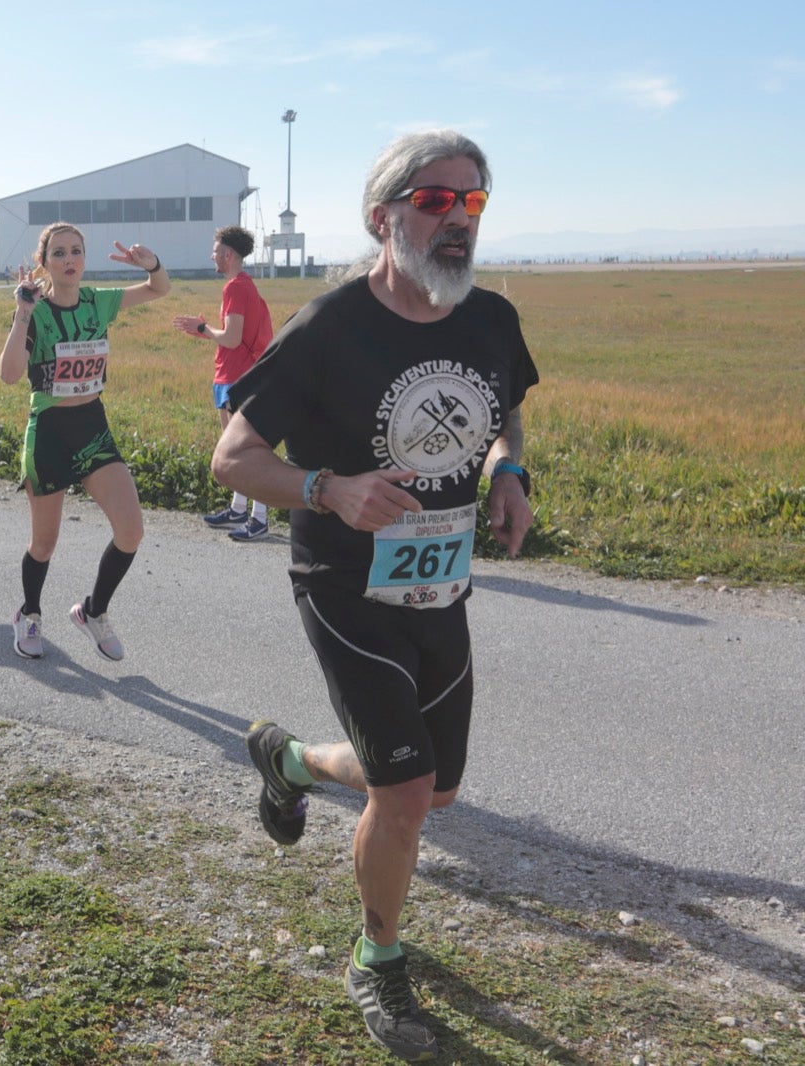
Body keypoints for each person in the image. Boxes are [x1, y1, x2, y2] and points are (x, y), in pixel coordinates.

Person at [211, 129, 538, 1062]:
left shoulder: (492, 318)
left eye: (471, 201)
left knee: (433, 789)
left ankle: (294, 765)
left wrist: (509, 471)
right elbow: (232, 457)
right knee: (403, 791)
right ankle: (377, 956)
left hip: (440, 584)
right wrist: (331, 489)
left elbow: (506, 404)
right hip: (345, 582)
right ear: (383, 217)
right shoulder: (332, 326)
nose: (457, 219)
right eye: (434, 201)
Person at [0, 222, 169, 662]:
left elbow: (158, 289)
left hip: (93, 427)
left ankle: (93, 611)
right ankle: (29, 613)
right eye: (58, 253)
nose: (69, 260)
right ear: (44, 263)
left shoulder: (99, 301)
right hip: (50, 431)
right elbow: (9, 374)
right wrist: (21, 315)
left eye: (76, 251)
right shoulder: (33, 309)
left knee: (131, 531)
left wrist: (150, 264)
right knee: (45, 543)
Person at [171, 225, 275, 541]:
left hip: (236, 376)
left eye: (215, 251)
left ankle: (259, 518)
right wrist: (205, 330)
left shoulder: (235, 288)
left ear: (228, 254)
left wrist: (203, 328)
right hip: (232, 374)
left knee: (246, 450)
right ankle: (239, 508)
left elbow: (231, 338)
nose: (212, 255)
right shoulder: (242, 285)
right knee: (236, 448)